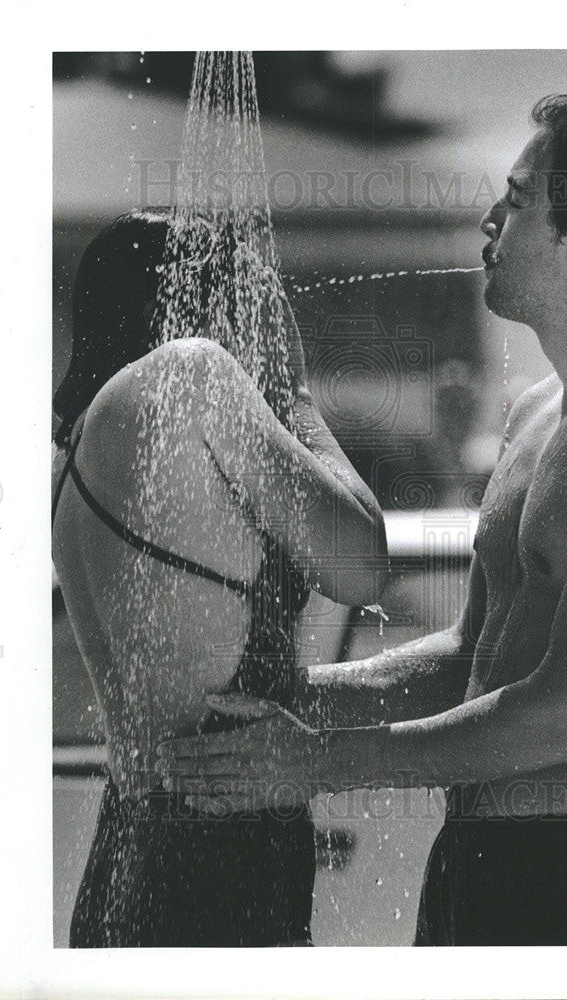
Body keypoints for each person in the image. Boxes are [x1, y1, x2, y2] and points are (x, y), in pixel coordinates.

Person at [157, 95, 567, 946]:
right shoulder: (535, 413)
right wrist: (276, 696)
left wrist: (312, 765)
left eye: (518, 198)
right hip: (472, 862)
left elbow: (560, 716)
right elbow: (466, 659)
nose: (491, 216)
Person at [52, 207, 387, 947]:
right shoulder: (192, 373)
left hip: (134, 840)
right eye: (260, 292)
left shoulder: (88, 436)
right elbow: (361, 564)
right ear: (201, 298)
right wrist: (295, 390)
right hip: (215, 848)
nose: (272, 314)